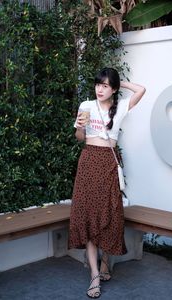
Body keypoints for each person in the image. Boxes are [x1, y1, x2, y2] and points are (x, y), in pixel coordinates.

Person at [68, 67, 146, 298]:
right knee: (91, 216)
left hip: (109, 165)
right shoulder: (86, 105)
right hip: (89, 161)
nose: (99, 89)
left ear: (113, 88)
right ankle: (94, 274)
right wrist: (80, 127)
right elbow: (79, 138)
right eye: (98, 84)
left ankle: (105, 262)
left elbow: (142, 90)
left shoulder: (121, 107)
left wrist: (120, 84)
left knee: (110, 215)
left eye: (105, 85)